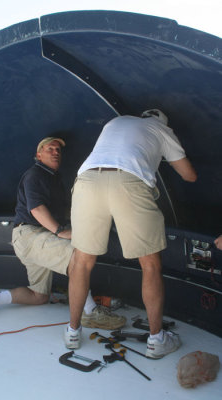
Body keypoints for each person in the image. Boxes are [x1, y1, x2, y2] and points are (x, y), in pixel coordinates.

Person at [65, 110, 197, 358]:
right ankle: (157, 340)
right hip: (129, 183)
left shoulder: (116, 121)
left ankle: (72, 331)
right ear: (161, 122)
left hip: (87, 180)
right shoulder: (162, 130)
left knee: (81, 262)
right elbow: (190, 176)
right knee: (149, 265)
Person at [0, 137, 126, 333]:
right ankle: (90, 312)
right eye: (50, 149)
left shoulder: (53, 179)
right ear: (38, 155)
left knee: (38, 296)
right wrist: (60, 231)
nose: (56, 152)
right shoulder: (35, 175)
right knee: (79, 257)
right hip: (30, 235)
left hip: (32, 240)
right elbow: (37, 209)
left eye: (58, 150)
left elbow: (63, 211)